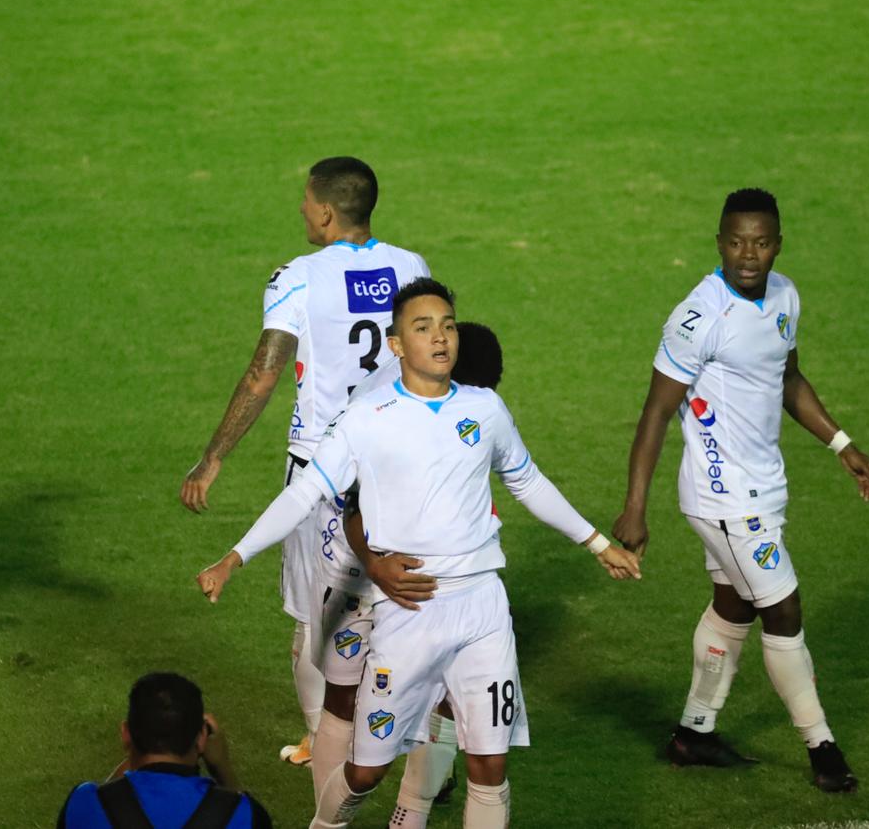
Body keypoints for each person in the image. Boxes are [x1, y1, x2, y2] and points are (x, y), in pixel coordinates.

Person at [198, 278, 642, 828]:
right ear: (396, 345)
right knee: (365, 773)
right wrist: (234, 556)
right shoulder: (368, 418)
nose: (440, 338)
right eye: (423, 327)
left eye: (448, 326)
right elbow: (306, 494)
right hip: (409, 613)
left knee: (490, 764)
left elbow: (528, 481)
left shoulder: (485, 409)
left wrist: (597, 543)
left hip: (482, 607)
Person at [611, 188, 869, 793]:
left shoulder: (784, 295)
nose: (747, 254)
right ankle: (822, 748)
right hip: (723, 497)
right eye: (735, 242)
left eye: (760, 242)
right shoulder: (699, 316)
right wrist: (635, 506)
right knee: (782, 608)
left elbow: (786, 375)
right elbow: (655, 413)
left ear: (777, 245)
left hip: (764, 489)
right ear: (719, 243)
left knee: (733, 605)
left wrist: (842, 444)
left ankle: (694, 734)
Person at [180, 157, 429, 766]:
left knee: (316, 622)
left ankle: (324, 745)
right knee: (406, 609)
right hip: (402, 462)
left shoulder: (298, 276)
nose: (300, 210)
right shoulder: (411, 267)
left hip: (324, 470)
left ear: (323, 210)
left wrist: (213, 457)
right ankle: (421, 747)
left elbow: (266, 373)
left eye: (305, 201)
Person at [303, 321, 503, 822]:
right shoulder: (384, 416)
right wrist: (376, 565)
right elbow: (352, 506)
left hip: (410, 579)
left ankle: (405, 819)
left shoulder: (452, 407)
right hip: (354, 568)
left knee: (439, 702)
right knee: (348, 704)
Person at [57, 672, 271, 828]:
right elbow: (243, 813)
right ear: (202, 738)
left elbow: (106, 796)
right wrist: (223, 769)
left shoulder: (82, 804)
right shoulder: (245, 814)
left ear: (126, 733)